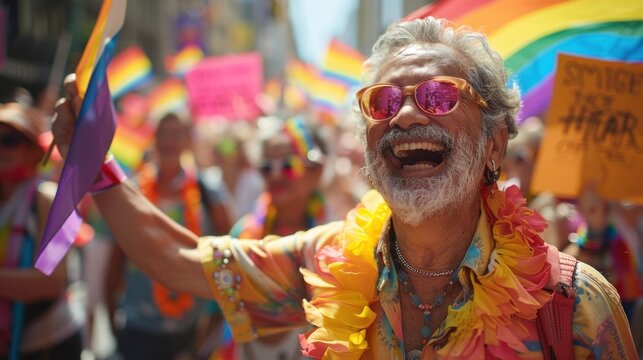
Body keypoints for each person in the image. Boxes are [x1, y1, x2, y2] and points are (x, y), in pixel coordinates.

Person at [51, 17, 637, 359]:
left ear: (492, 143)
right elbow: (181, 261)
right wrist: (97, 165)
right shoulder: (324, 263)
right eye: (384, 102)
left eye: (438, 96)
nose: (406, 115)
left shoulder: (573, 306)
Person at [104, 112, 232, 360]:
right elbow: (116, 258)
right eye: (163, 134)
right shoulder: (133, 191)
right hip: (137, 327)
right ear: (154, 139)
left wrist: (214, 322)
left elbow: (228, 255)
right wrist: (111, 319)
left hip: (190, 329)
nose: (169, 142)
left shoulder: (209, 190)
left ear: (187, 141)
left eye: (176, 134)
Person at [225, 116, 331, 359]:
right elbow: (217, 306)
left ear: (317, 171)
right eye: (266, 167)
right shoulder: (243, 234)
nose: (275, 176)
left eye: (287, 166)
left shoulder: (336, 241)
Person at [0, 102, 84, 360]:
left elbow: (52, 282)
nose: (0, 147)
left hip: (49, 345)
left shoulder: (48, 199)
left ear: (32, 152)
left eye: (10, 140)